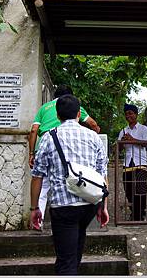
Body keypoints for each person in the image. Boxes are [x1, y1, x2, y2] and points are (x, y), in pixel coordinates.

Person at [30, 94, 109, 275]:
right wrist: (103, 206)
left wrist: (34, 208)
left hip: (63, 208)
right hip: (89, 204)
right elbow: (102, 174)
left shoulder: (49, 138)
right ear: (78, 114)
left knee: (66, 260)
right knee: (74, 254)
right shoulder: (93, 137)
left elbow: (37, 176)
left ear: (57, 116)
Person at [28, 85, 100, 215]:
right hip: (68, 148)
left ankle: (38, 218)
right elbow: (93, 124)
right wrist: (94, 134)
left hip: (44, 145)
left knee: (43, 186)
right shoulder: (75, 106)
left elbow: (33, 130)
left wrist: (32, 153)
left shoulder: (44, 108)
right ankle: (76, 208)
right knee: (69, 177)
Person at [118, 103, 147, 221]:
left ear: (136, 114)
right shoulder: (123, 130)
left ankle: (140, 213)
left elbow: (146, 143)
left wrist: (132, 139)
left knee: (140, 189)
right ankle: (135, 212)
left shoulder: (143, 129)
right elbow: (119, 149)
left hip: (140, 163)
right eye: (126, 114)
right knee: (128, 189)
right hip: (127, 164)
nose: (128, 116)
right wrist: (121, 142)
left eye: (130, 113)